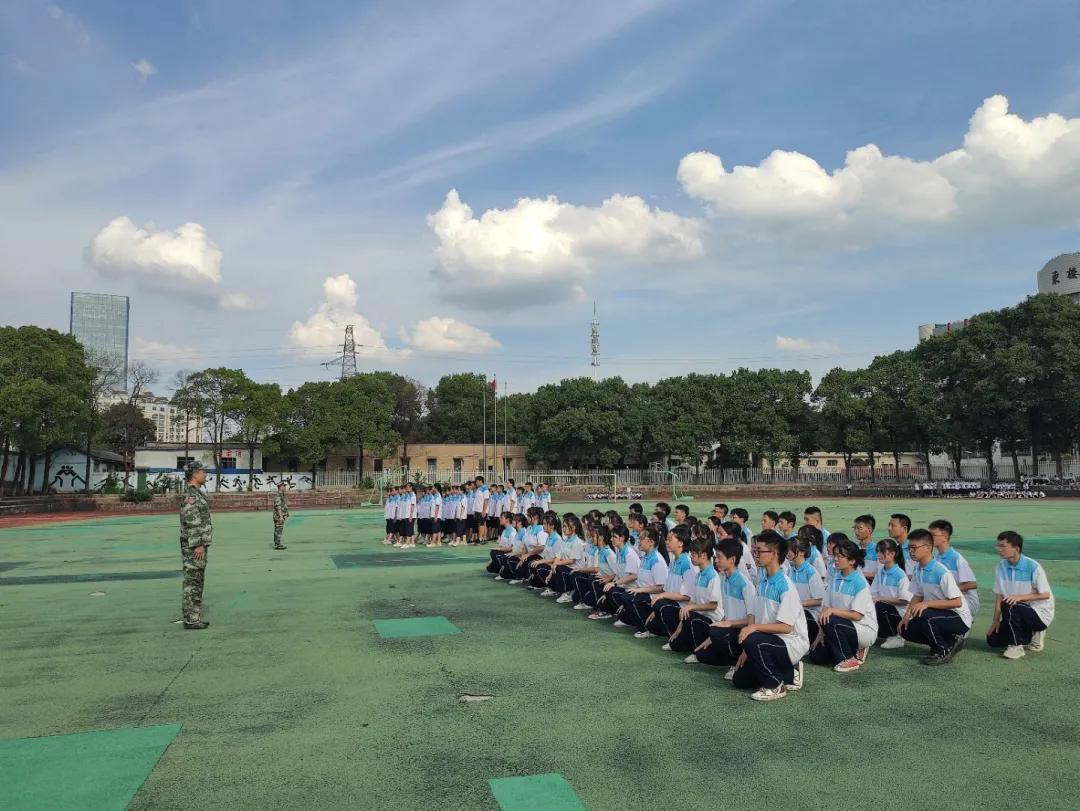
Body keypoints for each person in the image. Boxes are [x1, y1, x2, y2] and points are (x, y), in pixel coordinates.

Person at [730, 531, 808, 701]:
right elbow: (755, 615)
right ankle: (789, 671)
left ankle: (775, 685)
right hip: (767, 639)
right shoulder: (763, 580)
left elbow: (786, 627)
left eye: (759, 551)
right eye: (754, 551)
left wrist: (753, 630)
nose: (755, 555)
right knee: (740, 680)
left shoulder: (785, 586)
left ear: (774, 554)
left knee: (751, 637)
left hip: (790, 642)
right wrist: (747, 649)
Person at [899, 529, 971, 665]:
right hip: (938, 614)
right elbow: (917, 595)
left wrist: (927, 604)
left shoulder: (940, 571)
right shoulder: (918, 569)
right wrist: (906, 616)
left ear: (927, 548)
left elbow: (957, 602)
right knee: (904, 629)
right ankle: (950, 641)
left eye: (914, 548)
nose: (911, 551)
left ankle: (943, 650)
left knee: (924, 614)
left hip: (959, 618)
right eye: (909, 548)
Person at [807, 538, 877, 672]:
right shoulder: (835, 579)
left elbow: (857, 615)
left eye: (840, 556)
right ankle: (850, 650)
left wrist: (832, 612)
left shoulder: (860, 582)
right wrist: (820, 634)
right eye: (835, 555)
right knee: (816, 656)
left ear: (852, 561)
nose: (835, 559)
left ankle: (850, 658)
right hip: (840, 625)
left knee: (831, 619)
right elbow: (826, 608)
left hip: (863, 629)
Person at [986, 531, 1055, 659]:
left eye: (1003, 546)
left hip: (1039, 614)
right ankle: (1028, 635)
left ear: (1016, 548)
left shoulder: (1033, 566)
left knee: (1009, 604)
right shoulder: (1000, 566)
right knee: (992, 640)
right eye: (998, 546)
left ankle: (1017, 646)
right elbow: (999, 595)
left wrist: (1020, 597)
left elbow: (1045, 595)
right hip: (1015, 611)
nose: (998, 549)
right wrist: (995, 620)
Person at [691, 539, 752, 674]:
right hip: (730, 628)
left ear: (732, 559)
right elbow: (727, 613)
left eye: (719, 557)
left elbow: (752, 620)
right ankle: (731, 658)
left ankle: (738, 661)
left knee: (716, 631)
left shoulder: (744, 584)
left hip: (743, 632)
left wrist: (728, 624)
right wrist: (710, 639)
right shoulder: (724, 579)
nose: (715, 560)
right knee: (702, 655)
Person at [666, 536, 722, 654]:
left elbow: (713, 605)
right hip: (699, 616)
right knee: (675, 644)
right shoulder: (699, 575)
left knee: (690, 615)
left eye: (694, 553)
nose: (691, 556)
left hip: (712, 620)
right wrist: (679, 628)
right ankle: (686, 642)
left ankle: (698, 651)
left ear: (704, 555)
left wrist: (691, 607)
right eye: (691, 553)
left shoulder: (713, 576)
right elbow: (692, 601)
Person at [642, 525, 696, 641]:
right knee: (654, 613)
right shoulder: (674, 560)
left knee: (661, 605)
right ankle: (666, 633)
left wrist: (662, 596)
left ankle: (676, 637)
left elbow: (686, 596)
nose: (666, 542)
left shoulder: (687, 562)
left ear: (680, 543)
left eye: (670, 540)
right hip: (672, 601)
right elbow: (667, 588)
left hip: (683, 606)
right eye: (667, 539)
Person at [610, 526, 669, 631]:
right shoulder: (645, 557)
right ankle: (633, 621)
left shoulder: (657, 560)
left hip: (652, 596)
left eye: (641, 539)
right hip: (643, 591)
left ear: (650, 542)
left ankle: (646, 628)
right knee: (626, 597)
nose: (638, 542)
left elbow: (661, 587)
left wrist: (640, 590)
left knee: (627, 597)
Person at [179, 461, 212, 630]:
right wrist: (198, 544)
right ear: (194, 474)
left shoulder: (197, 493)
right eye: (203, 471)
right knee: (193, 581)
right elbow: (191, 520)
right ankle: (191, 619)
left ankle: (194, 616)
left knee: (198, 579)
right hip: (194, 546)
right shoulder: (191, 495)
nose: (205, 474)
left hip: (198, 545)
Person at [928, 519, 980, 621]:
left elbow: (972, 584)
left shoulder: (957, 558)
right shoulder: (936, 558)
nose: (929, 538)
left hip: (966, 601)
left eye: (933, 535)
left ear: (945, 537)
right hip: (948, 599)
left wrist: (950, 591)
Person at [590, 525, 639, 620]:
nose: (611, 539)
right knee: (606, 593)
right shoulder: (619, 551)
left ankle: (626, 614)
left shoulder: (629, 554)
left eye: (614, 537)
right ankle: (620, 611)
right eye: (611, 537)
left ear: (622, 538)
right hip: (623, 586)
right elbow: (618, 572)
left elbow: (634, 576)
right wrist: (613, 584)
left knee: (611, 591)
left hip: (632, 588)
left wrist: (614, 583)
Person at [869, 538, 911, 649]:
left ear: (892, 554)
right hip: (886, 609)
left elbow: (904, 601)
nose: (878, 555)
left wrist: (880, 598)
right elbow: (872, 593)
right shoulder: (880, 571)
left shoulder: (900, 575)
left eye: (882, 552)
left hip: (900, 614)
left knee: (880, 605)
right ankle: (885, 634)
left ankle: (898, 636)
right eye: (877, 551)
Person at [787, 536, 825, 644]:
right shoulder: (791, 570)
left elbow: (819, 600)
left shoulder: (811, 572)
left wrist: (798, 604)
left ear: (802, 552)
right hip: (797, 612)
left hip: (811, 616)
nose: (788, 552)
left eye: (791, 549)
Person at [853, 515, 877, 581]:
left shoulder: (877, 550)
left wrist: (860, 574)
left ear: (869, 530)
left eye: (859, 528)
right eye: (854, 528)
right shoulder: (853, 548)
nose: (856, 531)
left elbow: (881, 574)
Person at [271, 481, 289, 550]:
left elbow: (283, 505)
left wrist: (286, 513)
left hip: (280, 515)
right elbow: (278, 506)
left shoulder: (281, 494)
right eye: (284, 486)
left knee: (278, 529)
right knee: (278, 530)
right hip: (278, 516)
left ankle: (277, 543)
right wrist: (281, 516)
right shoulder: (278, 495)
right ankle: (278, 544)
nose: (285, 487)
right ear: (280, 487)